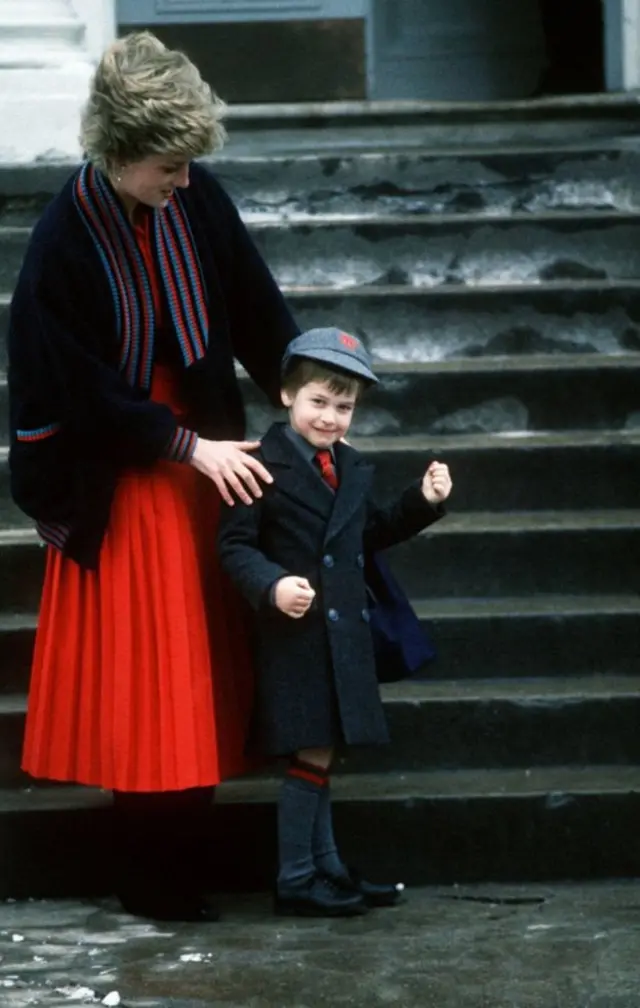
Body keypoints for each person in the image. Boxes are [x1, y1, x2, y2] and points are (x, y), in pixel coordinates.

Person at [7, 31, 299, 922]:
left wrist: (307, 386)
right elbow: (78, 391)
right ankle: (148, 875)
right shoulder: (62, 240)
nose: (182, 183)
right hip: (124, 472)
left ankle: (185, 864)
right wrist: (184, 448)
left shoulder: (192, 197)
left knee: (201, 672)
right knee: (145, 684)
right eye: (168, 167)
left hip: (202, 452)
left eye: (186, 167)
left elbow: (251, 302)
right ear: (120, 151)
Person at [217, 328, 452, 917]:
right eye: (318, 401)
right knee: (311, 753)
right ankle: (297, 876)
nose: (330, 416)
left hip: (340, 633)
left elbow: (367, 534)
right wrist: (271, 584)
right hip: (294, 635)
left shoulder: (345, 465)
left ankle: (328, 870)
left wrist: (421, 502)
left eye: (343, 406)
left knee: (322, 753)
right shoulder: (258, 466)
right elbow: (234, 548)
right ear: (286, 397)